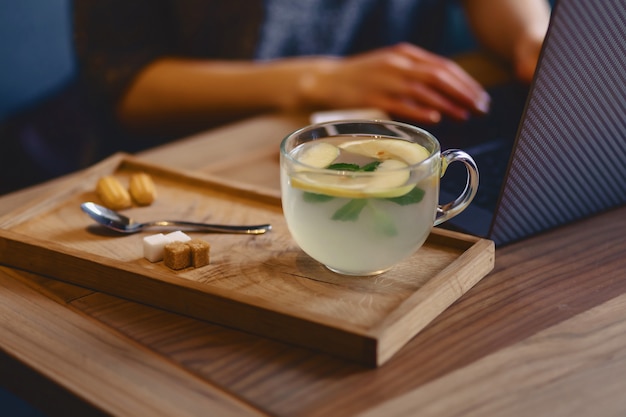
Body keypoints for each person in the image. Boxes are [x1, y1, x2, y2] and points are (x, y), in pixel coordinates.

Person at [74, 0, 551, 146]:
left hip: (409, 134)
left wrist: (531, 35)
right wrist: (318, 80)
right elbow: (123, 85)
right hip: (213, 151)